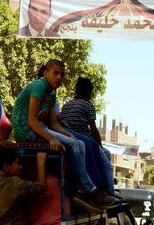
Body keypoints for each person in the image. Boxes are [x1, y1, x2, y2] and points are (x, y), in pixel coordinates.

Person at [12, 59, 119, 208]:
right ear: (45, 73)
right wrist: (51, 139)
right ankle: (90, 190)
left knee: (79, 142)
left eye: (62, 75)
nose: (59, 78)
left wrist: (68, 135)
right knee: (75, 145)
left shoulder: (52, 93)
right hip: (25, 130)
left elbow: (54, 124)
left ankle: (83, 190)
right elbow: (31, 121)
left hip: (40, 128)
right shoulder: (39, 85)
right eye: (55, 73)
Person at [61, 77, 115, 196]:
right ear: (88, 92)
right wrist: (99, 146)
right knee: (108, 163)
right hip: (86, 140)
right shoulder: (88, 105)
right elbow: (94, 129)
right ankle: (111, 194)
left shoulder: (66, 105)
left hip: (70, 138)